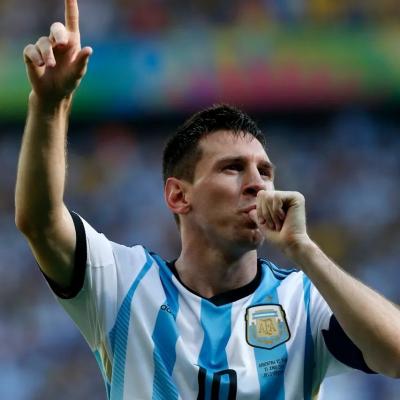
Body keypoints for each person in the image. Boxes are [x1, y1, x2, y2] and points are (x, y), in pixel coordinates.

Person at [15, 1, 400, 399]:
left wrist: (306, 251)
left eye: (265, 171)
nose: (257, 184)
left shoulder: (302, 299)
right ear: (179, 196)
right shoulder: (124, 285)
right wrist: (49, 106)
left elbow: (396, 355)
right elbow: (40, 222)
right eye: (233, 168)